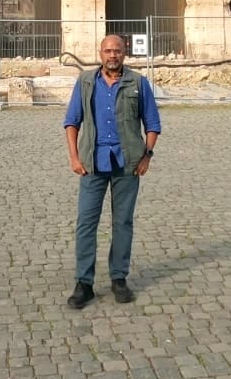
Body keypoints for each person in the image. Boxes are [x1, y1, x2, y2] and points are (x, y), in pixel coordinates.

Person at [62, 33, 161, 308]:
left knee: (123, 223)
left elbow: (152, 123)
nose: (112, 55)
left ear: (124, 53)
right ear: (100, 53)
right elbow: (72, 121)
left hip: (127, 163)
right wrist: (73, 156)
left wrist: (147, 156)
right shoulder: (85, 83)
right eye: (107, 51)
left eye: (117, 50)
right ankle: (84, 282)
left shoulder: (138, 83)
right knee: (85, 224)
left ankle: (119, 278)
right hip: (92, 163)